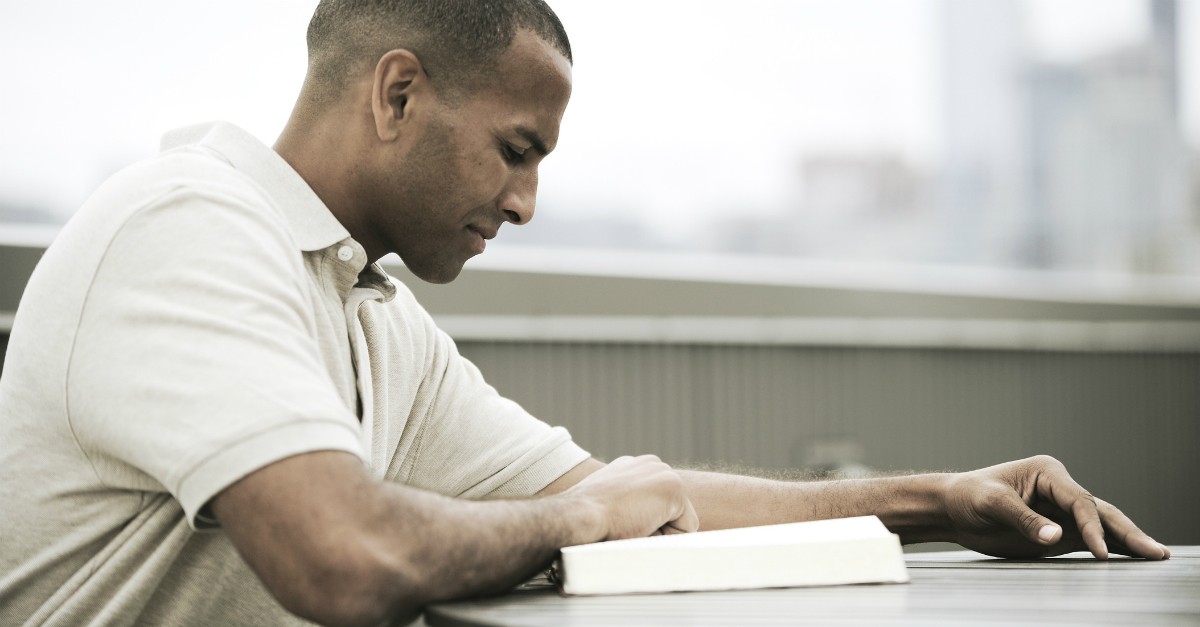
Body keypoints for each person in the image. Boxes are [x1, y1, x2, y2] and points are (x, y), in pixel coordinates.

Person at [0, 1, 1170, 626]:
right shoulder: (188, 231)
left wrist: (938, 498)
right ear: (398, 91)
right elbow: (345, 559)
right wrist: (586, 523)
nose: (525, 202)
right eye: (518, 151)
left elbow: (632, 493)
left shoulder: (364, 311)